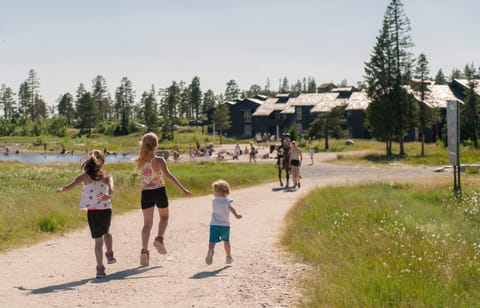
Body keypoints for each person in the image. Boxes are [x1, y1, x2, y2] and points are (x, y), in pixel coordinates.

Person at [56, 150, 116, 279]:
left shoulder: (84, 177)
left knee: (98, 241)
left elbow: (69, 186)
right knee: (107, 232)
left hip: (93, 211)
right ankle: (110, 254)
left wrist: (62, 190)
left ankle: (100, 269)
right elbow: (111, 187)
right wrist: (109, 195)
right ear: (102, 162)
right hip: (105, 209)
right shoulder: (106, 176)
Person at [134, 132, 191, 267]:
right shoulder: (159, 160)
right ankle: (159, 238)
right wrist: (183, 189)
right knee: (164, 217)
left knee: (147, 224)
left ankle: (144, 251)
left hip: (146, 193)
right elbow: (168, 175)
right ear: (156, 145)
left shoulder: (140, 160)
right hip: (159, 191)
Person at [205, 180, 242, 265]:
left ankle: (211, 250)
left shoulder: (214, 201)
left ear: (219, 191)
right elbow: (232, 208)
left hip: (214, 225)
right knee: (226, 241)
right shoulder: (227, 201)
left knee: (212, 242)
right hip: (225, 226)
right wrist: (236, 215)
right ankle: (228, 257)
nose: (213, 192)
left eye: (214, 191)